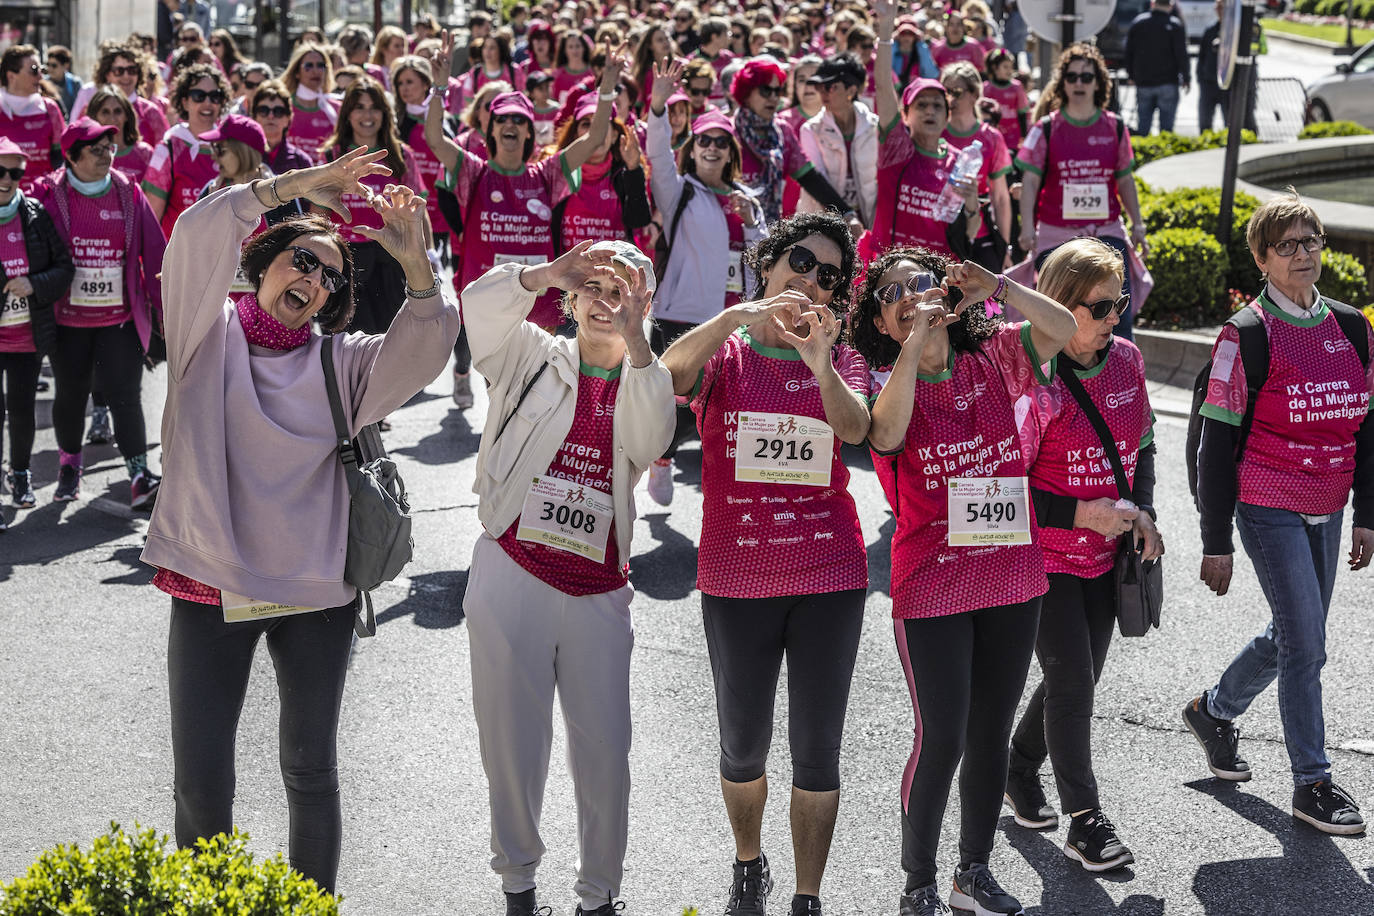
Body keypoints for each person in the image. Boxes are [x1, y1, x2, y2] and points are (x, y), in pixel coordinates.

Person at [142, 149, 459, 895]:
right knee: (202, 784)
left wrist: (418, 270)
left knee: (310, 771)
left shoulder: (340, 364)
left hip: (316, 596)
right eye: (300, 261)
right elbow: (192, 232)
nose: (312, 279)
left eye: (327, 276)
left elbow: (428, 345)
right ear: (262, 264)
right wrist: (287, 189)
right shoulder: (202, 332)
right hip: (210, 585)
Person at [853, 247, 1076, 916]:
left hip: (1011, 576)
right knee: (942, 736)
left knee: (989, 734)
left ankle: (971, 874)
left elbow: (1062, 329)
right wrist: (915, 341)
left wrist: (998, 287)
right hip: (933, 585)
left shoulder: (997, 354)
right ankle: (917, 882)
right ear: (883, 324)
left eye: (920, 282)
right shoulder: (887, 380)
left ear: (948, 295)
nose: (908, 294)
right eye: (891, 294)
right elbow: (884, 437)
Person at [659, 211, 869, 916]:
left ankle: (807, 898)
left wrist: (819, 364)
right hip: (737, 576)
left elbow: (856, 429)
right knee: (743, 746)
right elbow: (664, 381)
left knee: (817, 750)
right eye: (802, 264)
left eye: (829, 277)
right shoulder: (728, 350)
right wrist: (733, 320)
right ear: (770, 264)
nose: (812, 282)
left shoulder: (840, 354)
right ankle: (749, 862)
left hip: (829, 575)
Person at [459, 239, 672, 916]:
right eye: (594, 287)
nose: (607, 303)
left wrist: (640, 346)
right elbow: (476, 309)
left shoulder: (647, 373)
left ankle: (597, 896)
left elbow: (651, 439)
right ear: (572, 296)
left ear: (645, 302)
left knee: (606, 752)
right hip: (511, 569)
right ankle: (518, 885)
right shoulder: (528, 354)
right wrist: (542, 272)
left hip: (598, 590)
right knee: (510, 743)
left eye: (624, 292)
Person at [1186, 191, 1374, 836]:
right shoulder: (1245, 335)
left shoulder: (1351, 326)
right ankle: (1312, 782)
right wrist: (1216, 539)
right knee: (1308, 644)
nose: (1303, 254)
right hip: (1267, 502)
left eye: (1311, 241)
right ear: (1263, 259)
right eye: (1287, 245)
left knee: (1296, 633)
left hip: (1331, 502)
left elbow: (1368, 428)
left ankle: (1214, 710)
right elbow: (1216, 441)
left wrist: (1367, 512)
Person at [1003, 238, 1160, 872]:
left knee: (1080, 677)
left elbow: (1143, 445)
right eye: (1099, 308)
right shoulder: (1032, 376)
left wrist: (1142, 510)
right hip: (1043, 557)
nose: (1113, 317)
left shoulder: (1126, 360)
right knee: (1072, 682)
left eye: (1118, 303)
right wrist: (1080, 515)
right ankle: (1084, 820)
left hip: (1106, 553)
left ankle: (1018, 767)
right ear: (1059, 307)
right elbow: (1005, 487)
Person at [425, 48, 628, 332]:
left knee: (538, 377)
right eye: (503, 119)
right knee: (497, 379)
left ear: (529, 132)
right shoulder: (473, 171)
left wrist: (605, 89)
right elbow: (434, 138)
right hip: (487, 302)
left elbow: (594, 138)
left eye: (519, 120)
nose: (511, 124)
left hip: (539, 305)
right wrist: (439, 87)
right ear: (491, 130)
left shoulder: (547, 174)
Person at [643, 58, 766, 506]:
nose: (712, 147)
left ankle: (727, 494)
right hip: (682, 316)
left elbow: (765, 259)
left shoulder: (747, 199)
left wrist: (754, 223)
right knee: (675, 408)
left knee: (724, 410)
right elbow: (657, 156)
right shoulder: (681, 191)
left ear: (731, 153)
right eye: (704, 141)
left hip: (734, 320)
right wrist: (658, 107)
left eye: (721, 142)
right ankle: (661, 458)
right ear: (693, 149)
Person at [33, 118, 166, 508]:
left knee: (125, 395)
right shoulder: (47, 195)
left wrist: (163, 307)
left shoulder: (129, 192)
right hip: (67, 321)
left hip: (119, 320)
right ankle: (70, 467)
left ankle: (140, 475)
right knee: (72, 395)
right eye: (96, 149)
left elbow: (155, 254)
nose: (107, 154)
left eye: (110, 147)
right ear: (71, 156)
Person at [1013, 44, 1149, 334]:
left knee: (1115, 317)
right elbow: (1031, 182)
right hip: (1056, 236)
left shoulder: (1115, 127)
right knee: (1057, 320)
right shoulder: (1046, 128)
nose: (1078, 83)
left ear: (1098, 83)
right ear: (1062, 82)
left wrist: (1138, 223)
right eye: (1072, 76)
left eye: (1086, 77)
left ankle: (1121, 373)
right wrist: (1026, 228)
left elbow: (1125, 180)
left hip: (1106, 234)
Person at [867, 0, 982, 262]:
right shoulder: (896, 148)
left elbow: (970, 234)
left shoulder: (959, 162)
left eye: (937, 106)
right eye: (921, 105)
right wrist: (886, 29)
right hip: (891, 270)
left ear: (947, 116)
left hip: (939, 276)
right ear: (905, 115)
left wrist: (973, 203)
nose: (930, 111)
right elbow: (884, 88)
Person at [0, 135, 73, 524]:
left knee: (22, 410)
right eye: (0, 170)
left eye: (15, 172)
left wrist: (34, 283)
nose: (7, 179)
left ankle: (21, 474)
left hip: (27, 335)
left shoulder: (33, 213)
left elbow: (64, 268)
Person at [321, 77, 428, 338]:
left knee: (391, 341)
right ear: (347, 114)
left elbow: (418, 211)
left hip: (390, 258)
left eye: (374, 107)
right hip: (343, 259)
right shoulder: (331, 155)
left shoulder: (401, 155)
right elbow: (318, 213)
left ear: (384, 113)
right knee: (345, 344)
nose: (367, 115)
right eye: (359, 107)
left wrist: (428, 255)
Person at [728, 58, 851, 228]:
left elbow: (810, 179)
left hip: (765, 229)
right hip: (729, 229)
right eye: (765, 90)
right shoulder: (728, 132)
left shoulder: (782, 132)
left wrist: (847, 214)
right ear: (746, 93)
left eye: (777, 91)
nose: (773, 98)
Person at [551, 94, 651, 254]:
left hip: (615, 276)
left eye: (601, 124)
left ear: (614, 135)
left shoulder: (624, 172)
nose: (595, 133)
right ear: (575, 134)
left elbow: (639, 220)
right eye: (586, 124)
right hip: (568, 276)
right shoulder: (557, 171)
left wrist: (634, 169)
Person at [940, 62, 1013, 267]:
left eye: (957, 92)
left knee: (989, 298)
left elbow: (1000, 197)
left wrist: (1004, 246)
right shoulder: (935, 134)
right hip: (943, 235)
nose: (950, 99)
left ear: (974, 95)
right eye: (945, 92)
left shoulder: (991, 137)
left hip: (981, 234)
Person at [799, 54, 877, 232]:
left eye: (830, 87)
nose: (823, 93)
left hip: (869, 225)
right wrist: (847, 216)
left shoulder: (875, 127)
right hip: (822, 226)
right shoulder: (810, 130)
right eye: (820, 87)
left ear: (851, 90)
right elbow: (818, 181)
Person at [73, 45, 170, 150]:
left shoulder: (151, 112)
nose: (126, 76)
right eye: (119, 71)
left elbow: (165, 151)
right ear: (108, 75)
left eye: (132, 70)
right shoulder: (91, 109)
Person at [0, 45, 65, 194]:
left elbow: (62, 156)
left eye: (41, 70)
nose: (41, 76)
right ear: (11, 76)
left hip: (43, 197)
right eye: (34, 70)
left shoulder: (50, 109)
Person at [1124, 0, 1190, 136]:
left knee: (1143, 126)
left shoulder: (1138, 22)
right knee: (1166, 130)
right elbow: (1181, 55)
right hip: (1168, 82)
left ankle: (1143, 153)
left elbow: (1128, 52)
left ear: (1152, 4)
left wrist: (1130, 75)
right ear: (1171, 6)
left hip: (1143, 82)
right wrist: (1186, 78)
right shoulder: (1174, 25)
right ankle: (1164, 154)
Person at [86, 86, 155, 185]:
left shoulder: (145, 153)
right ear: (94, 117)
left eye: (117, 111)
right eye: (105, 112)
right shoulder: (85, 154)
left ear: (127, 115)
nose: (112, 118)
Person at [282, 43, 337, 163]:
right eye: (308, 66)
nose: (315, 71)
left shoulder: (336, 109)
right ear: (296, 72)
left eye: (320, 65)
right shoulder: (282, 106)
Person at [251, 80, 314, 179]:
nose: (270, 116)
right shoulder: (245, 158)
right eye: (263, 110)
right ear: (254, 116)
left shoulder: (301, 162)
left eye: (278, 111)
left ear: (288, 118)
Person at [982, 49, 1029, 162]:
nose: (1009, 70)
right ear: (995, 68)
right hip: (993, 136)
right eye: (1005, 67)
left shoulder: (1016, 87)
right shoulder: (987, 88)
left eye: (1010, 67)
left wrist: (1024, 136)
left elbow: (1022, 113)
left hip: (1013, 138)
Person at [45, 46, 83, 118]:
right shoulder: (43, 84)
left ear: (66, 65)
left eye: (54, 65)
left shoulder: (75, 83)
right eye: (48, 64)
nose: (50, 69)